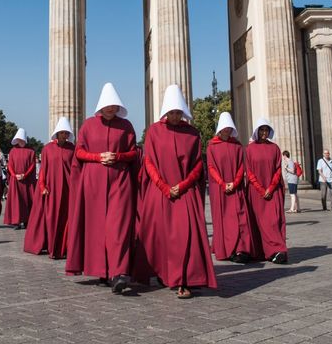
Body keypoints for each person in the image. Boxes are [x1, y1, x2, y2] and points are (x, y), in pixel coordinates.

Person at [136, 86, 217, 299]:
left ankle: (183, 278)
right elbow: (149, 162)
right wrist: (163, 186)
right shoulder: (153, 131)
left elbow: (198, 165)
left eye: (178, 112)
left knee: (185, 235)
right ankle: (164, 272)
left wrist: (181, 186)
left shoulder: (192, 133)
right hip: (159, 190)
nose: (175, 116)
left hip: (184, 191)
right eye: (171, 112)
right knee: (159, 235)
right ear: (165, 111)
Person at [66, 82, 139, 294]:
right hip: (94, 182)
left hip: (120, 180)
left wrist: (117, 156)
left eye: (114, 105)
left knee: (119, 226)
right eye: (108, 105)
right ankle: (102, 270)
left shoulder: (126, 127)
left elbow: (134, 153)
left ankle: (119, 272)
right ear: (101, 106)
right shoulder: (88, 125)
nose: (111, 108)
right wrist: (98, 157)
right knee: (96, 227)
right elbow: (79, 152)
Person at [24, 117, 76, 259]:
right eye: (62, 133)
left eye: (66, 133)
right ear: (57, 133)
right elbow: (43, 170)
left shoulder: (73, 149)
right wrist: (42, 186)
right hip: (51, 190)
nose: (64, 135)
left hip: (67, 190)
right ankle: (50, 245)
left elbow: (76, 170)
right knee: (50, 218)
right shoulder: (47, 149)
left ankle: (64, 247)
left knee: (66, 219)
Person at [206, 112, 253, 264]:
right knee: (223, 219)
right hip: (220, 189)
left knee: (240, 218)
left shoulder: (237, 146)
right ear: (220, 128)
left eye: (228, 128)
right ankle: (226, 248)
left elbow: (241, 166)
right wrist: (222, 183)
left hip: (235, 187)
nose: (226, 130)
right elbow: (211, 167)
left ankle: (241, 248)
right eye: (224, 128)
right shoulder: (212, 146)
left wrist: (235, 182)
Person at [245, 118, 289, 264]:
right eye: (261, 130)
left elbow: (277, 170)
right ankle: (262, 251)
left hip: (272, 191)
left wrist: (270, 187)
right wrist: (260, 188)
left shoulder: (275, 148)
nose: (264, 132)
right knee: (258, 222)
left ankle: (278, 250)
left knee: (273, 221)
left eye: (266, 130)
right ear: (257, 131)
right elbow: (249, 172)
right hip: (256, 192)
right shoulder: (249, 149)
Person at [4, 128, 36, 229]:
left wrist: (24, 175)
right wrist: (14, 175)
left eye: (22, 139)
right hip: (16, 180)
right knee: (16, 201)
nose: (21, 141)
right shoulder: (13, 151)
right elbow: (10, 165)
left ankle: (27, 220)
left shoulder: (31, 151)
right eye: (19, 139)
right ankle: (16, 221)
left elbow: (32, 165)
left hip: (27, 181)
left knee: (27, 200)